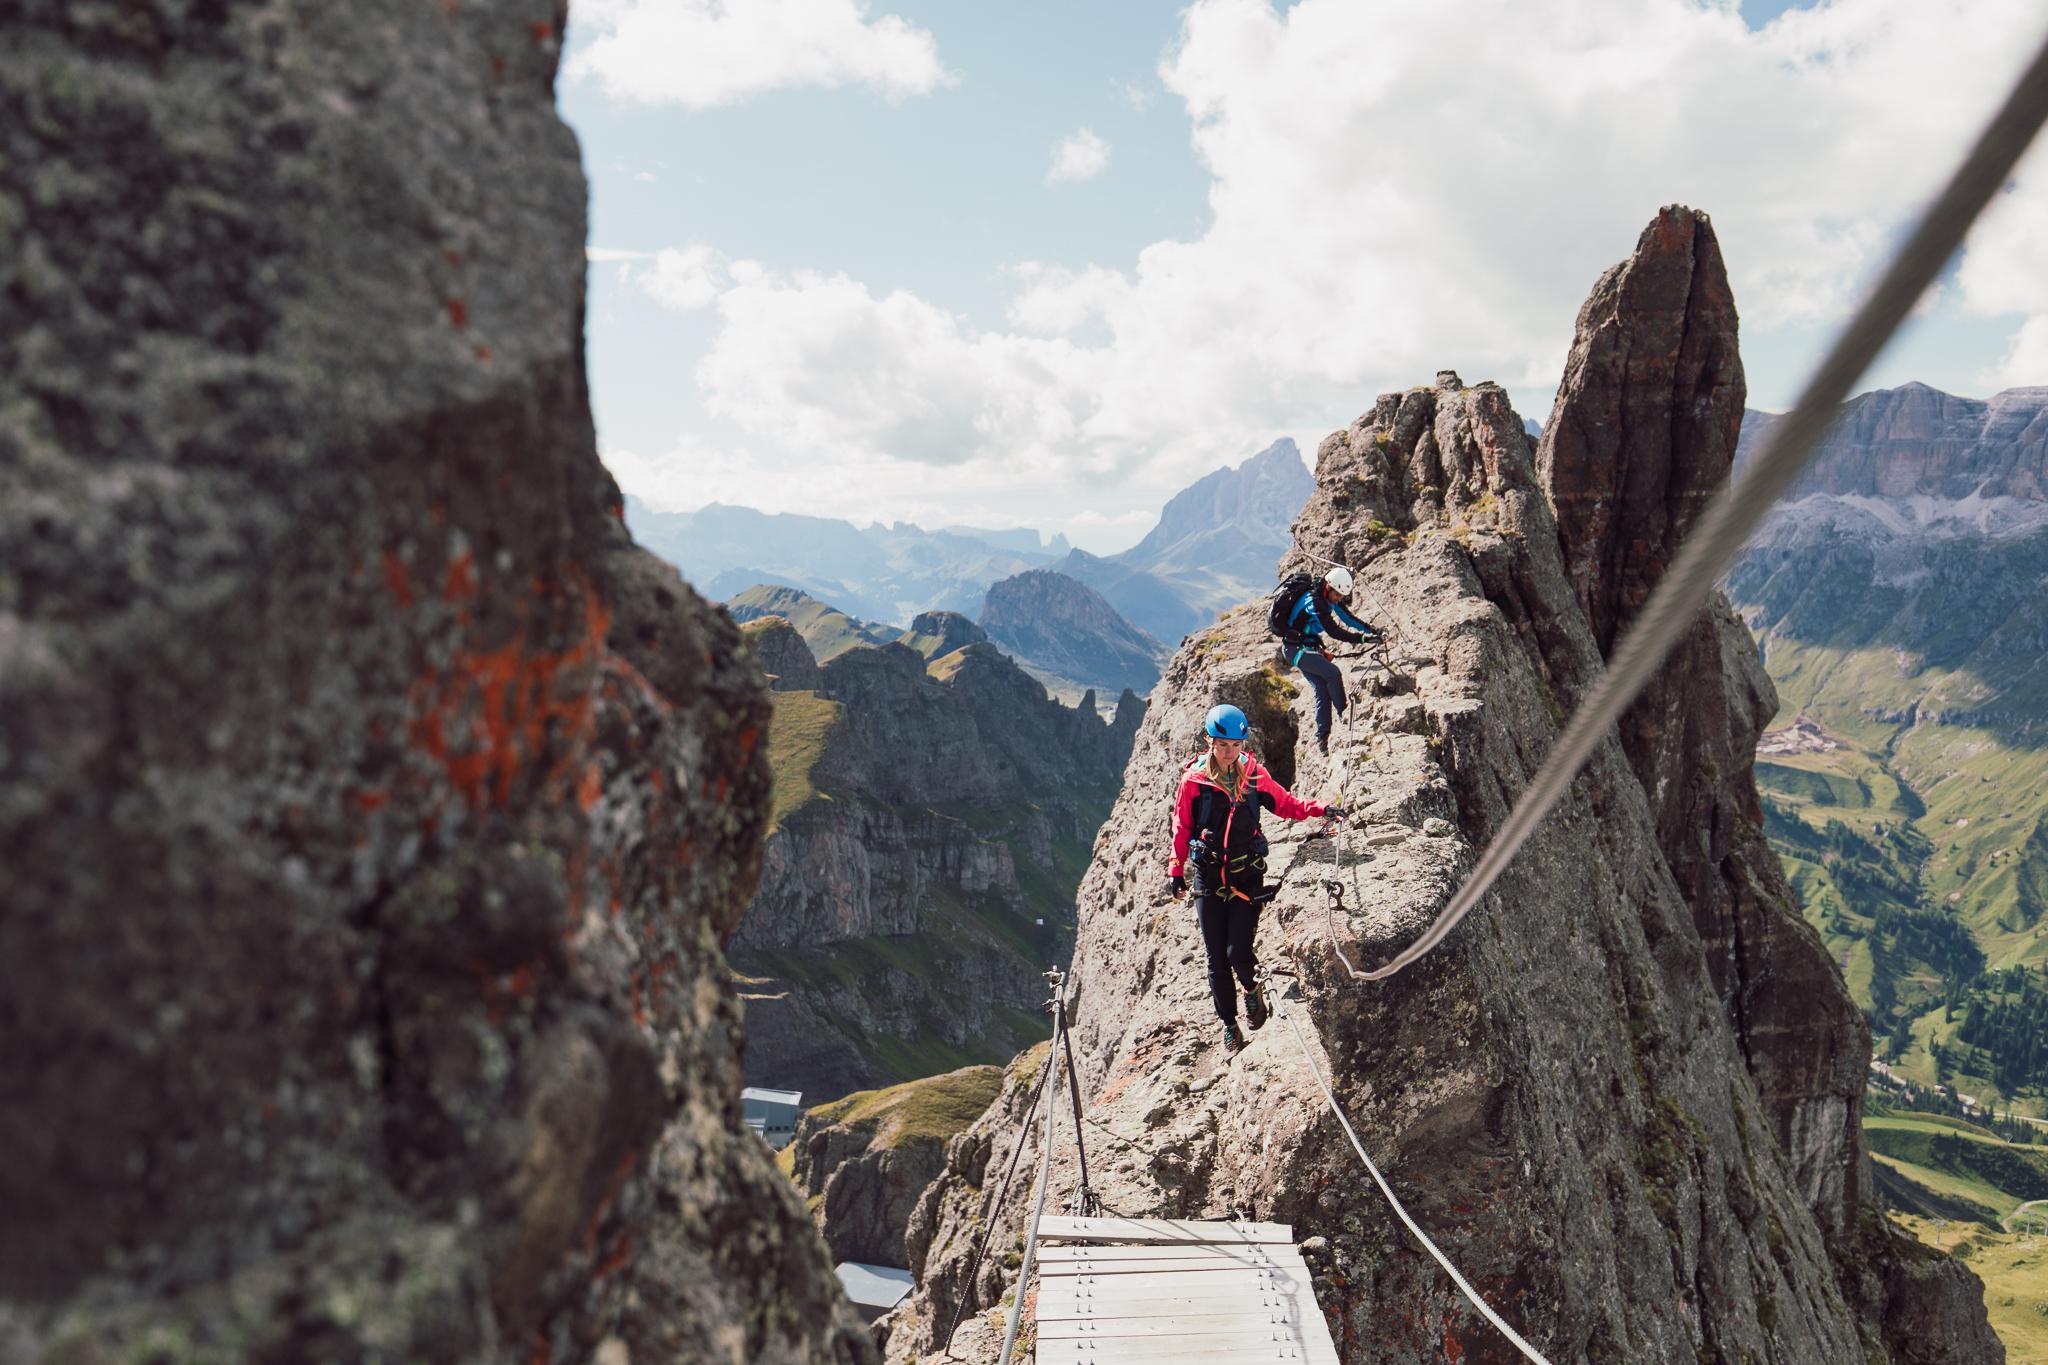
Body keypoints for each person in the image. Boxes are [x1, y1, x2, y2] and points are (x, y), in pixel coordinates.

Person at [1168, 704, 1340, 1051]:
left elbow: (1286, 805)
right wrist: (1176, 870)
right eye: (1222, 744)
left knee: (1237, 951)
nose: (1229, 752)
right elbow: (1182, 825)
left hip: (1247, 875)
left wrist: (1322, 809)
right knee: (1215, 956)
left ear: (1243, 743)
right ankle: (1229, 1024)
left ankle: (1251, 990)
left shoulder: (1254, 775)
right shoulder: (1194, 781)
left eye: (1235, 745)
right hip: (1208, 878)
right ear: (1210, 742)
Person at [1277, 566, 1379, 755]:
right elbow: (1334, 631)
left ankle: (1322, 738)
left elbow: (1348, 619)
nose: (1339, 599)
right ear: (1328, 587)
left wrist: (1372, 631)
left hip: (1304, 648)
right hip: (1296, 650)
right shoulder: (1314, 602)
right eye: (1337, 595)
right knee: (1333, 673)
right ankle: (1345, 713)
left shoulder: (1330, 598)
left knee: (1322, 690)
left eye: (1342, 596)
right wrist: (1362, 639)